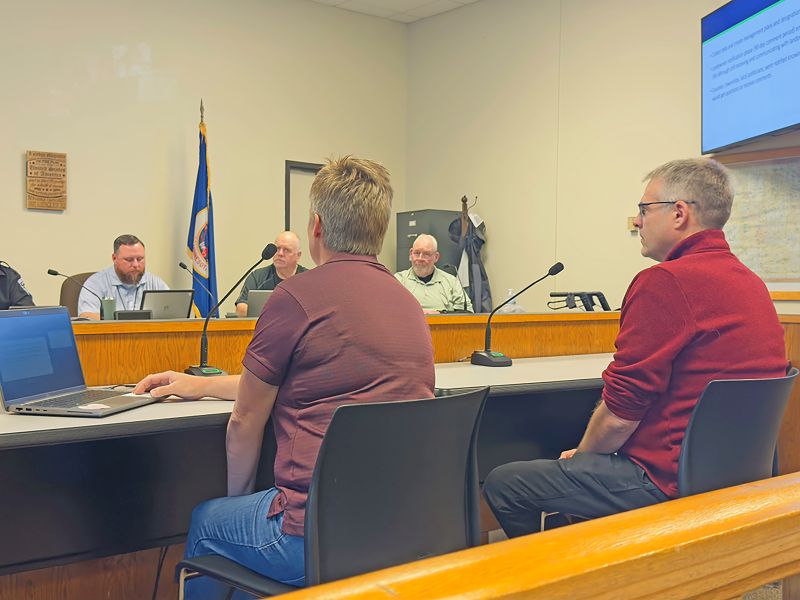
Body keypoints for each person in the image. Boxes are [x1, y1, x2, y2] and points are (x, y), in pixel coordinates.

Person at [134, 156, 434, 595]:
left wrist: (237, 503)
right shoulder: (408, 303)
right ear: (380, 229)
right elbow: (311, 383)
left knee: (207, 521)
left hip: (311, 539)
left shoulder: (295, 296)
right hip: (400, 530)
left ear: (316, 227)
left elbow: (245, 420)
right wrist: (199, 385)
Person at [483, 158, 787, 538]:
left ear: (679, 213)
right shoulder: (750, 282)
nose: (637, 221)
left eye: (644, 209)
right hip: (736, 477)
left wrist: (583, 457)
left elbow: (620, 416)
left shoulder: (664, 282)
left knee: (505, 482)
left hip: (666, 482)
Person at [78, 235, 168, 320]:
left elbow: (174, 314)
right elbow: (86, 317)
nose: (136, 265)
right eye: (129, 260)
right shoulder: (95, 283)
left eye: (140, 259)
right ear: (114, 258)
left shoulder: (155, 283)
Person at [234, 231, 308, 317]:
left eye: (286, 250)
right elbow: (240, 309)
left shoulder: (308, 278)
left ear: (298, 255)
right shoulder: (257, 277)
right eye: (277, 249)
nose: (280, 253)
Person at [394, 234, 473, 313]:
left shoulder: (451, 282)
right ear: (411, 253)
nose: (420, 258)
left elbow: (467, 313)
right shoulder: (399, 280)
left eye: (426, 254)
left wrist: (441, 314)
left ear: (436, 257)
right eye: (417, 253)